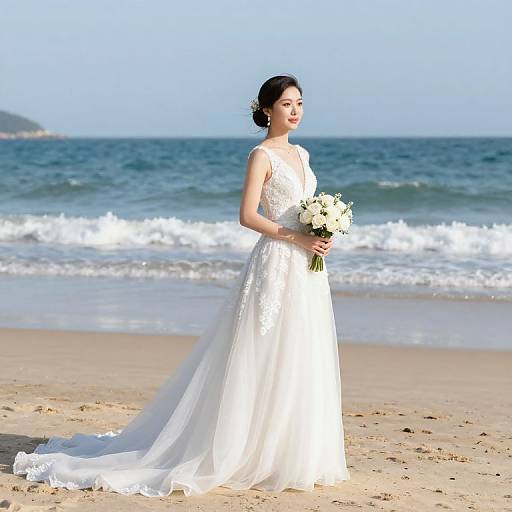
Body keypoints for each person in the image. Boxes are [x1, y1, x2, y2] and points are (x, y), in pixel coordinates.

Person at [13, 74, 351, 497]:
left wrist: (320, 231)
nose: (295, 111)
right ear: (267, 110)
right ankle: (244, 449)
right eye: (286, 104)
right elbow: (247, 215)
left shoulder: (302, 153)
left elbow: (300, 209)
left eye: (300, 103)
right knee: (261, 350)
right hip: (277, 261)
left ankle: (289, 450)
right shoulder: (261, 155)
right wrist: (295, 237)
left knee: (301, 348)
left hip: (306, 266)